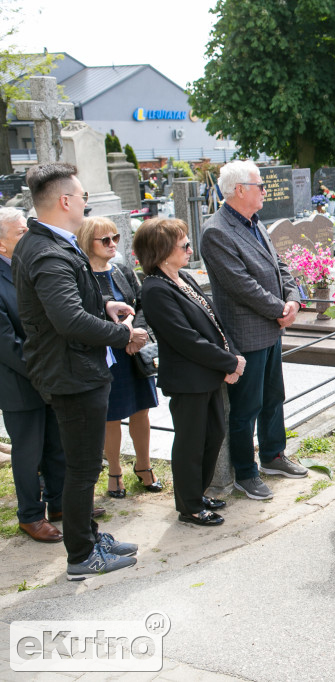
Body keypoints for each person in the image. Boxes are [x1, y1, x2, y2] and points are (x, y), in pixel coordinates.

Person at [12, 163, 139, 579]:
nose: (87, 202)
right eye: (83, 196)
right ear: (65, 201)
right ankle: (81, 555)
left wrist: (104, 305)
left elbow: (63, 304)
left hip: (73, 369)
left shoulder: (48, 242)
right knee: (82, 469)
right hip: (73, 373)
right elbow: (67, 319)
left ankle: (88, 536)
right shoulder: (47, 251)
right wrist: (122, 335)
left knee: (81, 465)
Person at [201, 159, 308, 502]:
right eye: (259, 185)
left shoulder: (254, 222)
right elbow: (240, 285)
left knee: (274, 397)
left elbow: (280, 266)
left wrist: (292, 299)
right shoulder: (217, 231)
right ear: (239, 190)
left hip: (271, 329)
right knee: (246, 408)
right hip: (246, 334)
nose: (264, 190)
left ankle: (273, 455)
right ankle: (246, 473)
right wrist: (279, 310)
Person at [137, 219, 243, 526]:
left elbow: (213, 321)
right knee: (191, 443)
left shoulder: (181, 277)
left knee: (213, 435)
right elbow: (185, 339)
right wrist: (228, 363)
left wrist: (232, 355)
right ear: (161, 251)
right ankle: (190, 507)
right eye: (183, 245)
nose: (189, 249)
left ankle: (198, 492)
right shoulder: (155, 289)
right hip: (188, 379)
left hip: (207, 373)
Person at [79, 217, 162, 499]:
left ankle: (144, 465)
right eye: (105, 240)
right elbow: (86, 316)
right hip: (106, 354)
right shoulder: (81, 275)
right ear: (87, 241)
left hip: (133, 351)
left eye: (115, 237)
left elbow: (142, 303)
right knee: (110, 416)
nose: (112, 244)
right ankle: (115, 471)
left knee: (142, 411)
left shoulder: (121, 269)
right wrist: (122, 336)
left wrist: (138, 333)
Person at [0, 208, 67, 543]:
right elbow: (6, 343)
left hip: (48, 374)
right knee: (28, 454)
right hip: (20, 381)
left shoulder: (26, 266)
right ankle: (30, 516)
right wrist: (41, 370)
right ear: (1, 244)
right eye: (20, 233)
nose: (28, 236)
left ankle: (60, 504)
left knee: (56, 445)